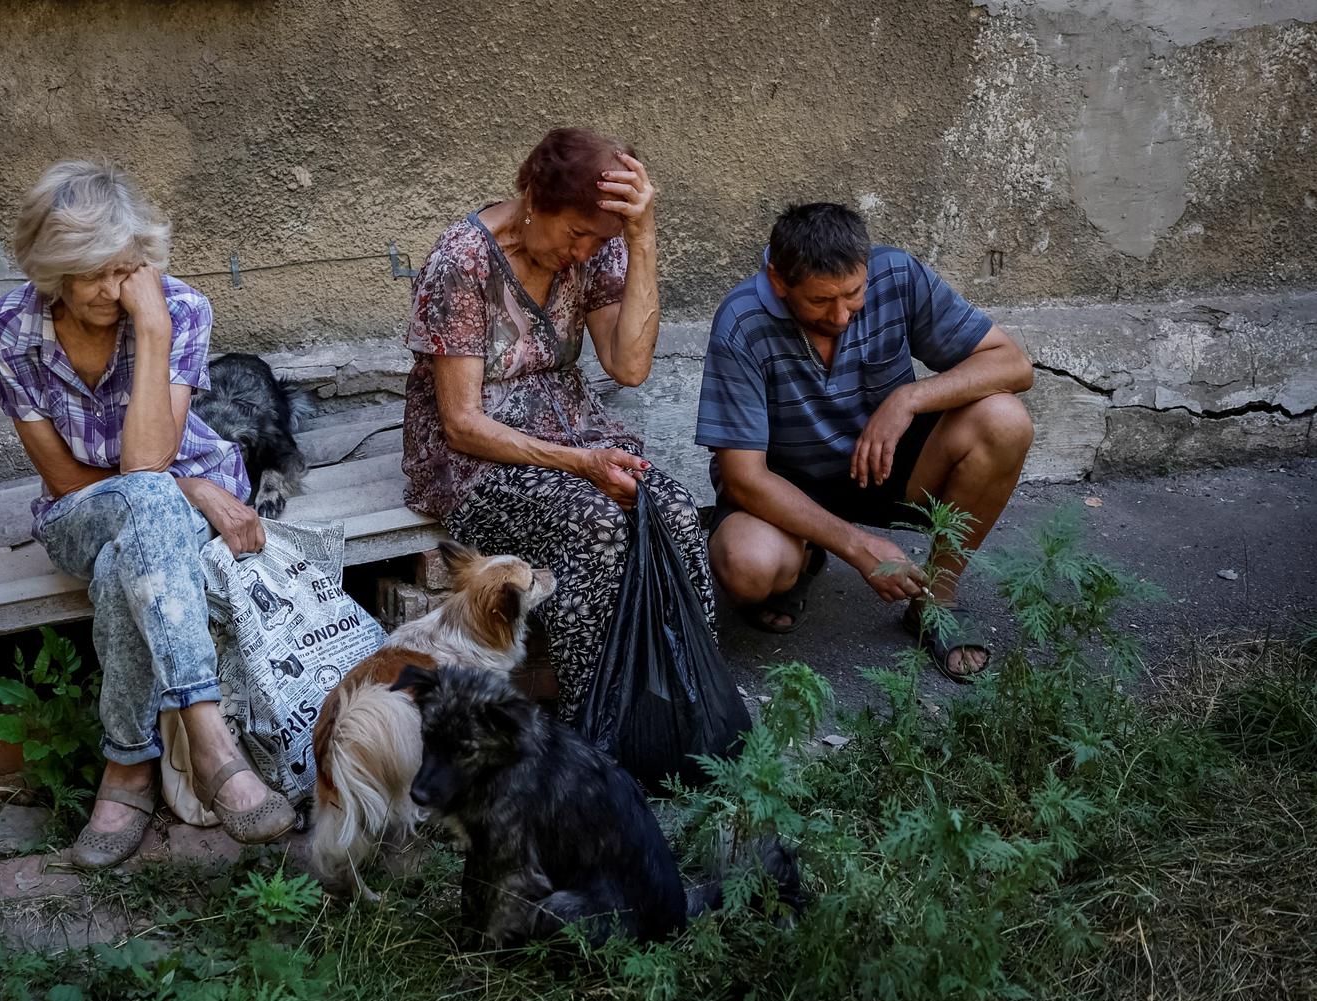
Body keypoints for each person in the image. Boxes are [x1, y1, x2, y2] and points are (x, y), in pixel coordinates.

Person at [0, 160, 296, 868]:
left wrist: (151, 330)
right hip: (80, 512)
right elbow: (64, 477)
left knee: (133, 550)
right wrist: (194, 489)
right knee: (150, 500)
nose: (109, 290)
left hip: (158, 511)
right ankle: (213, 745)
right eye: (89, 274)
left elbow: (149, 462)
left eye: (125, 270)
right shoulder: (9, 329)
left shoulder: (178, 310)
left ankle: (126, 769)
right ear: (50, 269)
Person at [401, 128, 716, 726]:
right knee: (597, 524)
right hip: (472, 464)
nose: (582, 254)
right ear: (532, 198)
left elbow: (630, 366)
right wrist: (581, 465)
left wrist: (642, 240)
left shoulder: (597, 249)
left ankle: (686, 709)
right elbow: (462, 424)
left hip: (573, 434)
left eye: (598, 240)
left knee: (671, 510)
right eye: (575, 234)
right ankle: (591, 727)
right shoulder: (464, 260)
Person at [696, 202, 1034, 681]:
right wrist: (855, 546)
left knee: (1005, 420)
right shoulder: (740, 321)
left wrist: (909, 398)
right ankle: (808, 549)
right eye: (819, 301)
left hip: (885, 467)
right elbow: (744, 477)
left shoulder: (897, 273)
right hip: (787, 486)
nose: (841, 315)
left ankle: (935, 599)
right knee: (746, 567)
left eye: (854, 293)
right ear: (778, 281)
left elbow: (1013, 365)